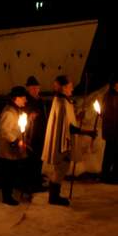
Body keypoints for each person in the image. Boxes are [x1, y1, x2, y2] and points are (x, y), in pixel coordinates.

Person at [42, 75, 96, 206]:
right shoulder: (61, 103)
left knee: (61, 168)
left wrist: (77, 115)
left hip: (62, 141)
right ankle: (54, 197)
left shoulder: (63, 101)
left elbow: (67, 121)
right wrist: (87, 132)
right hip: (61, 143)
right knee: (60, 168)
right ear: (64, 87)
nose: (72, 88)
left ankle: (54, 196)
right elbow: (68, 127)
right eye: (70, 86)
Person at [0, 86, 30, 206]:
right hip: (8, 151)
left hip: (15, 149)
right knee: (8, 174)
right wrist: (17, 141)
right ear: (16, 98)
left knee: (12, 173)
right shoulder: (9, 112)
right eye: (23, 97)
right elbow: (5, 131)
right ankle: (7, 197)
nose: (25, 100)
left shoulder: (17, 110)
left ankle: (10, 194)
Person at [25, 76, 47, 192]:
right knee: (32, 160)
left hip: (41, 133)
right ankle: (32, 182)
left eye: (37, 88)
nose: (35, 90)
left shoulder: (40, 100)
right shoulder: (26, 101)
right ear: (28, 89)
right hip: (32, 135)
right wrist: (30, 116)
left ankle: (37, 178)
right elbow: (24, 116)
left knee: (39, 159)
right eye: (33, 88)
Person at [101, 75, 118, 183]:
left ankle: (114, 175)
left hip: (116, 130)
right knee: (109, 153)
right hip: (112, 130)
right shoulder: (108, 96)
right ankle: (106, 175)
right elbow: (106, 113)